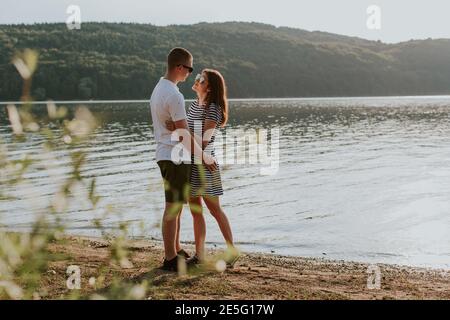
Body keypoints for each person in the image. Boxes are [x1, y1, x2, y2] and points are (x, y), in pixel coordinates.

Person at [150, 48, 217, 272]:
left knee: (176, 208)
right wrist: (204, 156)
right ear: (179, 67)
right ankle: (170, 259)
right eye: (189, 68)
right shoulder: (174, 95)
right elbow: (183, 134)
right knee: (172, 208)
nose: (190, 73)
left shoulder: (159, 89)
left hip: (165, 154)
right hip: (174, 157)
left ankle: (175, 249)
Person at [166, 69, 239, 268]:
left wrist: (179, 129)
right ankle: (200, 255)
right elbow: (189, 137)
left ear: (209, 87)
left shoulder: (213, 109)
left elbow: (203, 142)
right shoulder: (194, 106)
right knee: (196, 211)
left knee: (215, 209)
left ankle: (232, 251)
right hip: (190, 164)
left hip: (206, 164)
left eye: (201, 79)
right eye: (198, 77)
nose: (197, 80)